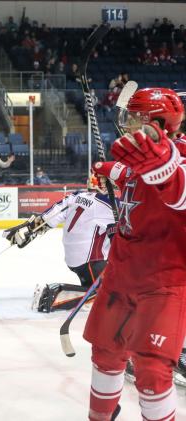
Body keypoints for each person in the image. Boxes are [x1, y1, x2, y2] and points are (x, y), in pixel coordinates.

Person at [83, 87, 186, 420]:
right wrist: (105, 168)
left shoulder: (180, 156)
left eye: (133, 118)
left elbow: (179, 192)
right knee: (105, 356)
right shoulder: (135, 156)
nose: (126, 125)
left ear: (156, 122)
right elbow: (128, 172)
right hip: (121, 276)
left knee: (153, 374)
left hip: (164, 283)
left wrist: (166, 171)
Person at [3, 176, 116, 312]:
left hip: (74, 260)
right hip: (92, 261)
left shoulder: (76, 196)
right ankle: (54, 296)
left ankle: (83, 291)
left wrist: (29, 229)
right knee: (112, 295)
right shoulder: (110, 206)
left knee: (94, 287)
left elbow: (48, 219)